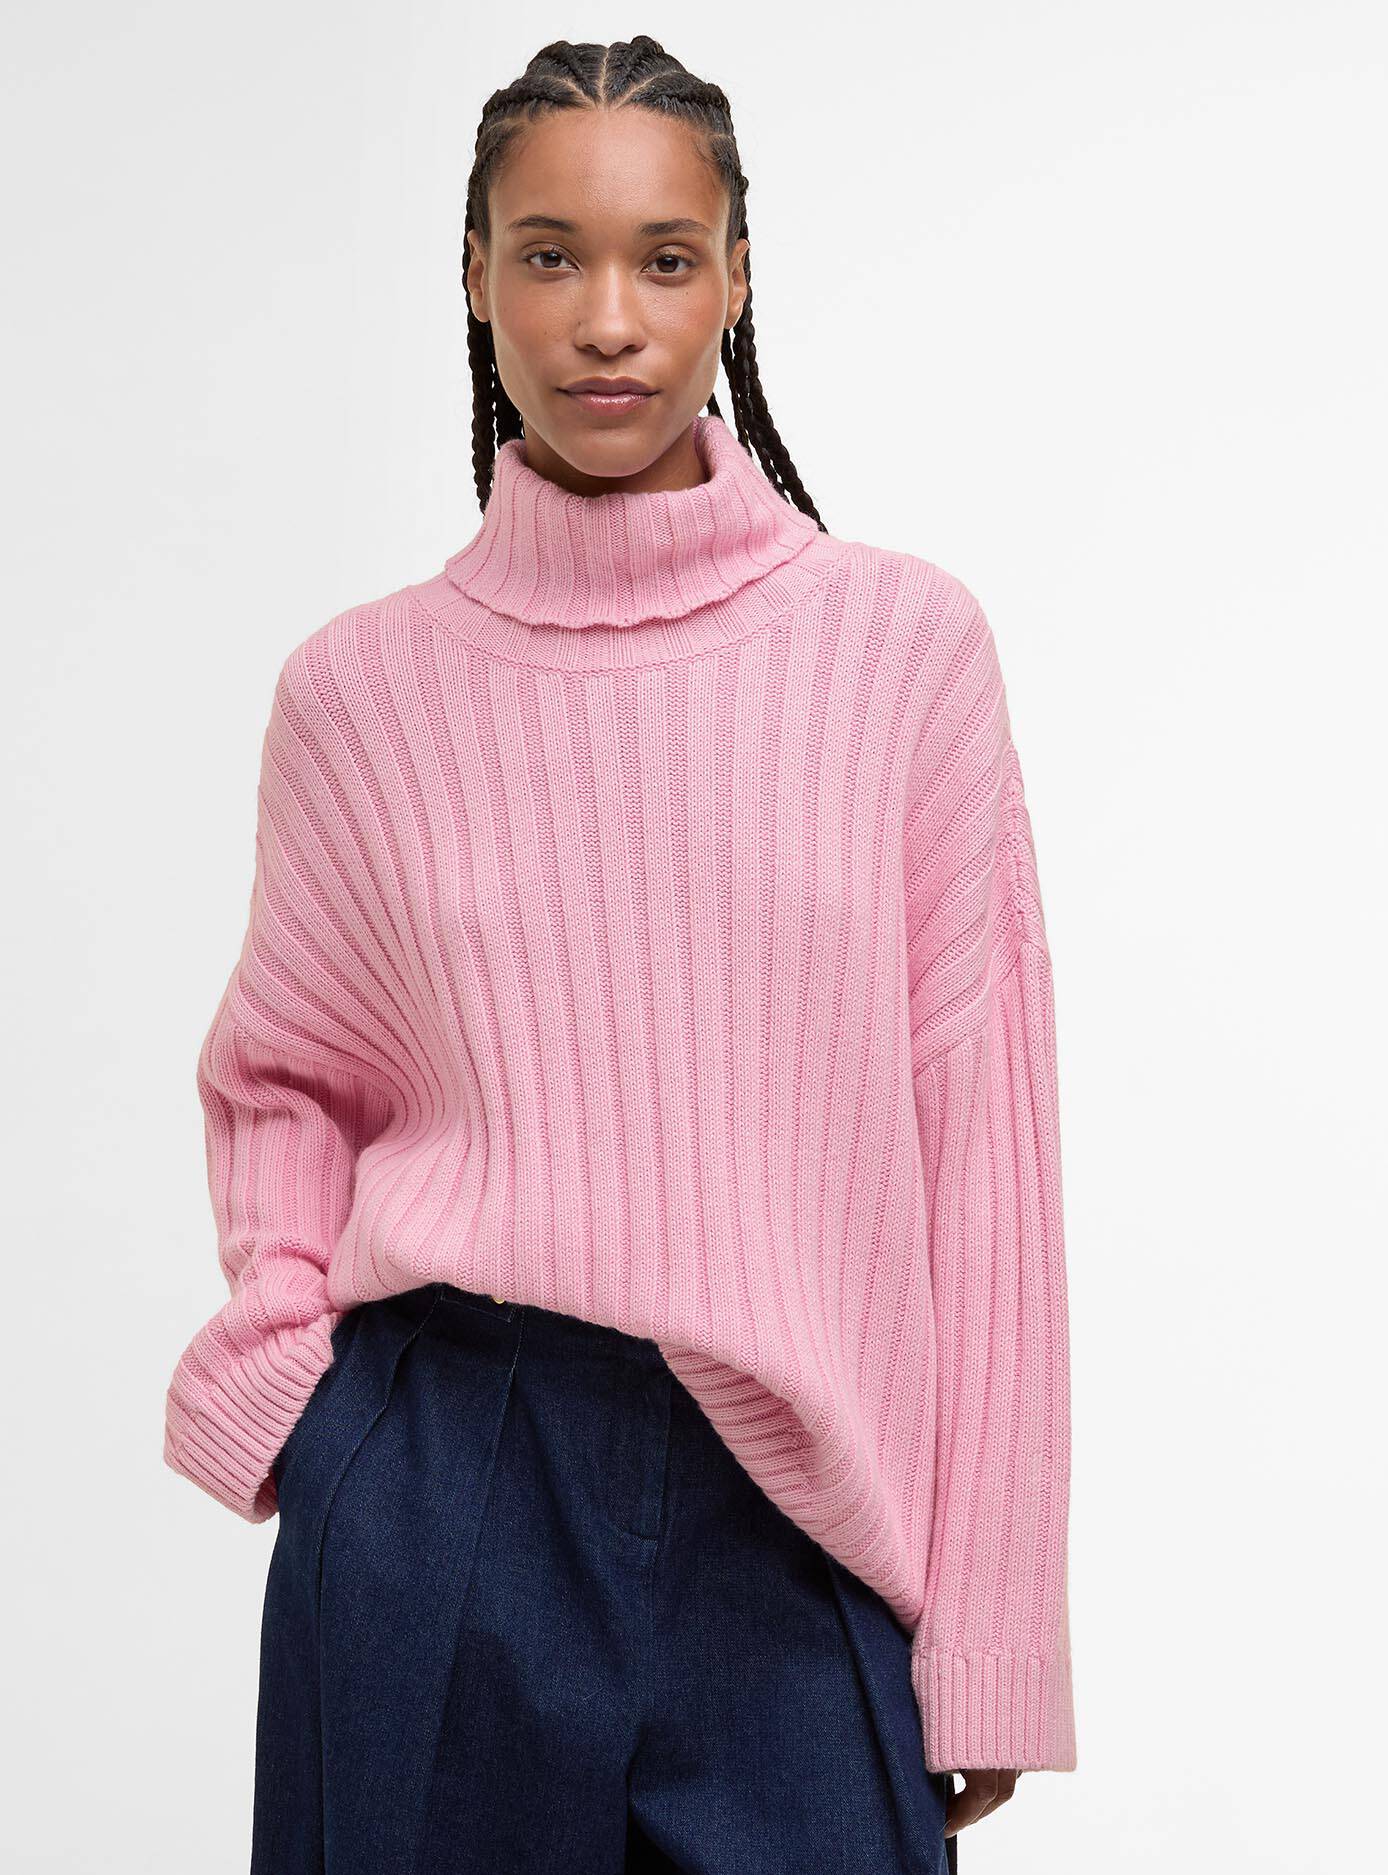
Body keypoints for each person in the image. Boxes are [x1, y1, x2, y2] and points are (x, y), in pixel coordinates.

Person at [162, 34, 1076, 1873]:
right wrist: (294, 1403)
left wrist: (992, 1640)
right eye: (548, 254)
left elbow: (984, 1161)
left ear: (737, 278)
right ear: (475, 277)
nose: (606, 320)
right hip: (442, 1491)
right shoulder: (361, 695)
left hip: (801, 1516)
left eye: (664, 259)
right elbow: (284, 1078)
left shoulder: (897, 654)